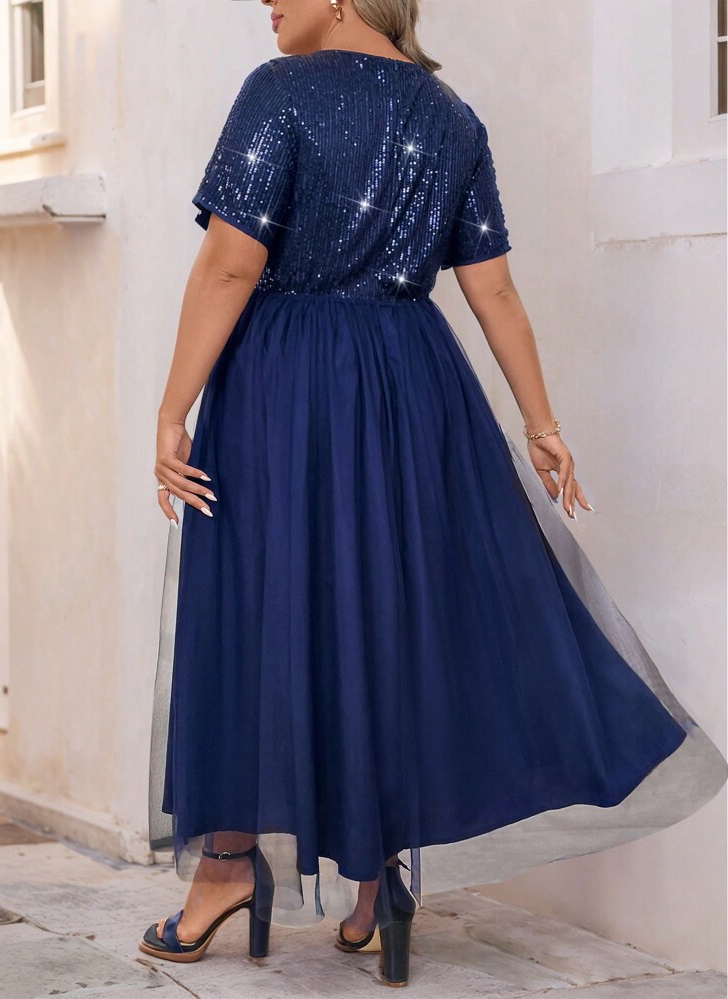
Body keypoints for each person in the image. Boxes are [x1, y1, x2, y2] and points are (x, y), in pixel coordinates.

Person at [140, 0, 728, 988]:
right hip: (411, 384)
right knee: (386, 614)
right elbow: (490, 288)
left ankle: (228, 867)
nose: (264, 1)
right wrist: (540, 423)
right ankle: (378, 884)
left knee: (258, 606)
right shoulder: (451, 116)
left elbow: (233, 262)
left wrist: (172, 409)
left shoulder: (277, 91)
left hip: (287, 382)